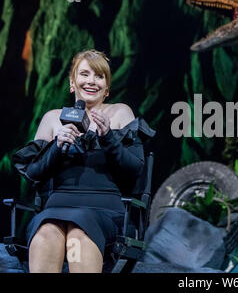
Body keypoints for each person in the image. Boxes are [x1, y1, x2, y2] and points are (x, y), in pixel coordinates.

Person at [13, 49, 154, 273]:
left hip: (103, 210)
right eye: (85, 74)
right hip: (56, 208)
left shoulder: (119, 113)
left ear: (107, 88)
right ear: (72, 82)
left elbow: (135, 171)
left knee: (79, 232)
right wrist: (57, 147)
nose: (92, 81)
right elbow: (34, 172)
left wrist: (108, 137)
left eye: (99, 76)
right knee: (46, 230)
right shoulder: (52, 117)